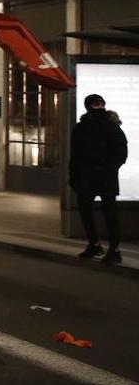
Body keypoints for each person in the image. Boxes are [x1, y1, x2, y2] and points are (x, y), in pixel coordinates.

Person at [69, 94, 127, 265]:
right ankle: (95, 244)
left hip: (103, 177)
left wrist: (108, 168)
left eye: (100, 104)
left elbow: (120, 153)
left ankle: (113, 249)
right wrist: (74, 175)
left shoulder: (110, 126)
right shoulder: (82, 128)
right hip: (89, 177)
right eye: (95, 104)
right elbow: (75, 154)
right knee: (87, 209)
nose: (99, 107)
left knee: (109, 212)